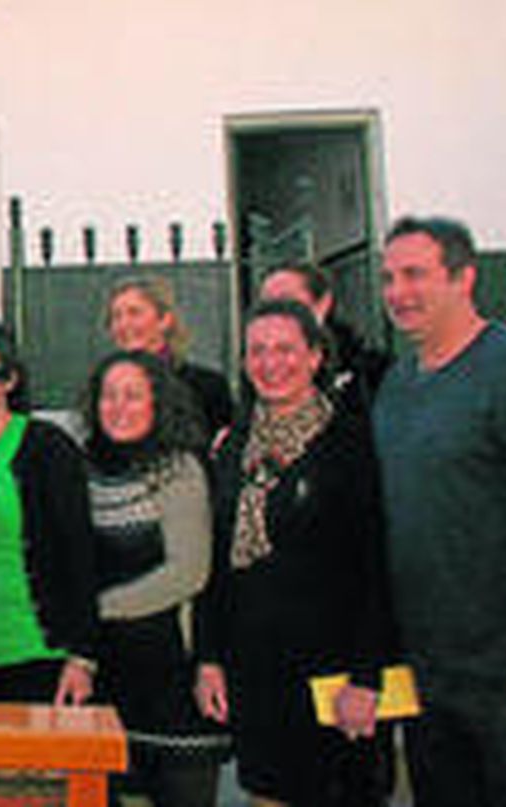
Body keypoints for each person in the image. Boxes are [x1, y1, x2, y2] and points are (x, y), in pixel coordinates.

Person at [372, 216, 506, 806]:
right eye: (388, 277)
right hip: (434, 679)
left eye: (415, 274)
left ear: (465, 278)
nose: (398, 292)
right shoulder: (397, 385)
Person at [196, 300, 394, 807]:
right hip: (258, 677)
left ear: (314, 357)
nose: (270, 363)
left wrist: (366, 679)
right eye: (257, 351)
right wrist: (210, 658)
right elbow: (217, 562)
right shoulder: (234, 446)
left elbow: (376, 567)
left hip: (334, 680)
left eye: (285, 349)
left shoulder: (349, 445)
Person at [83, 351, 223, 807]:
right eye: (108, 396)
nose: (118, 407)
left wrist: (97, 608)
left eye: (132, 396)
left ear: (157, 403)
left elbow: (188, 572)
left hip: (173, 681)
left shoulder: (178, 469)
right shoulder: (86, 469)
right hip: (109, 679)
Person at [0, 316, 98, 705]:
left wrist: (83, 657)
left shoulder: (45, 446)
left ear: (10, 380)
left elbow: (79, 551)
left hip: (39, 652)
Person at [106, 276, 234, 438]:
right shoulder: (104, 390)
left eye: (134, 313)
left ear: (164, 320)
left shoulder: (207, 386)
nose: (123, 324)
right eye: (116, 316)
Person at [259, 263, 390, 404]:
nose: (276, 313)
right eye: (268, 305)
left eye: (288, 301)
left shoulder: (371, 375)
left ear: (323, 304)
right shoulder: (258, 377)